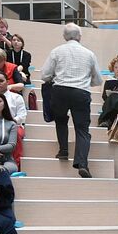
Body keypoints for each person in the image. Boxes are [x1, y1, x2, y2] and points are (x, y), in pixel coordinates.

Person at [39, 23, 104, 178]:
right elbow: (98, 80)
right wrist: (87, 82)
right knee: (82, 129)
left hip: (60, 90)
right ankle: (82, 163)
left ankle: (63, 151)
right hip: (81, 92)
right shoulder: (89, 54)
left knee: (61, 120)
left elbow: (45, 75)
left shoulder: (56, 51)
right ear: (80, 37)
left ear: (64, 37)